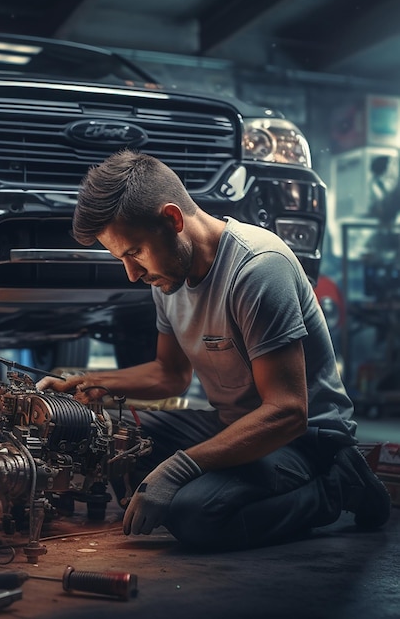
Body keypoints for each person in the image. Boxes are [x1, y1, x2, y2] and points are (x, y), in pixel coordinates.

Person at [37, 149, 391, 551]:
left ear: (172, 220)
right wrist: (90, 382)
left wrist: (177, 469)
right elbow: (170, 374)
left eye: (133, 252)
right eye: (122, 258)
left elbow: (289, 411)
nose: (132, 273)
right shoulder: (167, 276)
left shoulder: (257, 268)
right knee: (112, 441)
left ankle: (339, 486)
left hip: (304, 439)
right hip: (234, 422)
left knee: (195, 515)